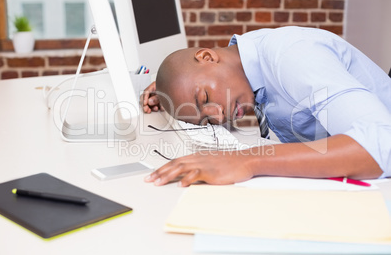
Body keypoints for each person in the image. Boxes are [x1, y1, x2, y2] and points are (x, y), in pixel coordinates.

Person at [142, 26, 391, 187]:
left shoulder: (292, 55)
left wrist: (246, 160)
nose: (218, 115)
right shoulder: (247, 66)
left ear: (207, 57)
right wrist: (175, 92)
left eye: (205, 98)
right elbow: (194, 78)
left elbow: (382, 143)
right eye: (206, 120)